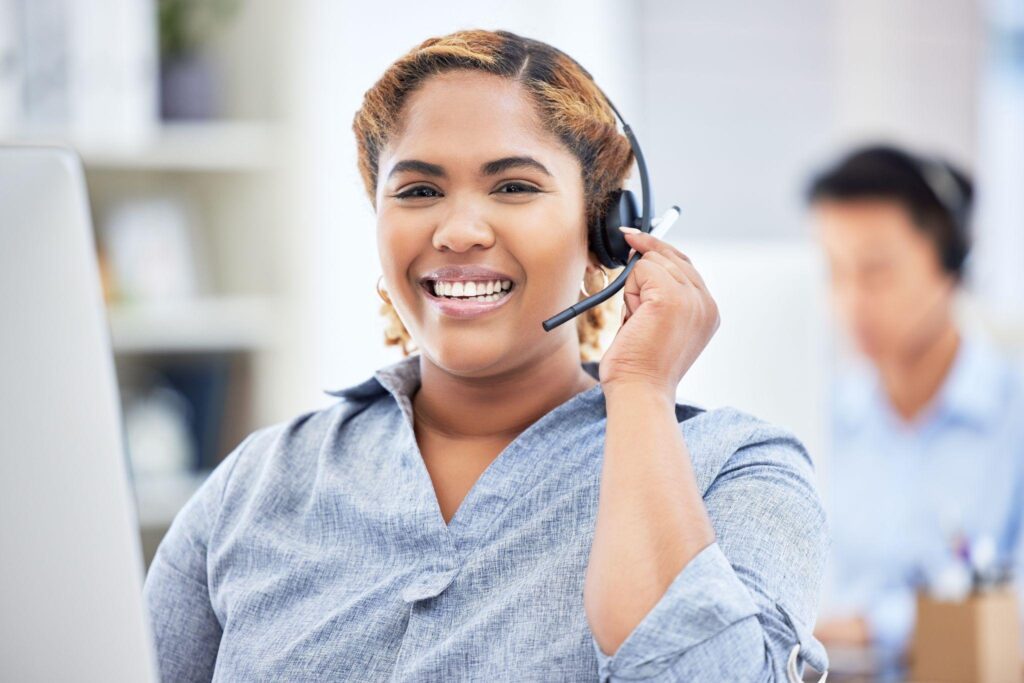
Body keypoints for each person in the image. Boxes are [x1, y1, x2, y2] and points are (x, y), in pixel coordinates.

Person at [143, 29, 829, 681]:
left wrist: (643, 389)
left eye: (513, 186)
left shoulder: (736, 470)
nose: (460, 230)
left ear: (608, 230)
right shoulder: (258, 483)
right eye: (417, 190)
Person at [806, 145, 1024, 667]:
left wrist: (874, 626)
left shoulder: (1010, 414)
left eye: (876, 272)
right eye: (836, 272)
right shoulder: (824, 415)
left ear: (951, 263)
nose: (852, 301)